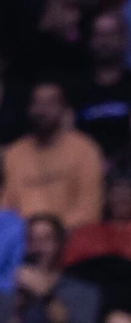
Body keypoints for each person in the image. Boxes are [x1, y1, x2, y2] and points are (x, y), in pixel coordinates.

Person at [0, 214, 102, 323]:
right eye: (32, 240)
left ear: (61, 244)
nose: (37, 247)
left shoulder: (82, 290)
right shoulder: (12, 292)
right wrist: (18, 307)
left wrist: (46, 294)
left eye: (46, 240)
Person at [1, 80, 104, 231]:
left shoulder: (84, 149)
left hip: (72, 234)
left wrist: (52, 233)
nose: (41, 110)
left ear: (65, 109)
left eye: (50, 103)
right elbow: (5, 207)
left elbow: (90, 208)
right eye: (36, 103)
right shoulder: (14, 154)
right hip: (23, 237)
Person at [75, 9, 131, 162]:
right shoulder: (76, 88)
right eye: (99, 35)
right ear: (90, 40)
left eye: (111, 34)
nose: (104, 41)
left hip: (125, 167)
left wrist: (114, 163)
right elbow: (68, 136)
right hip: (82, 165)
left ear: (124, 39)